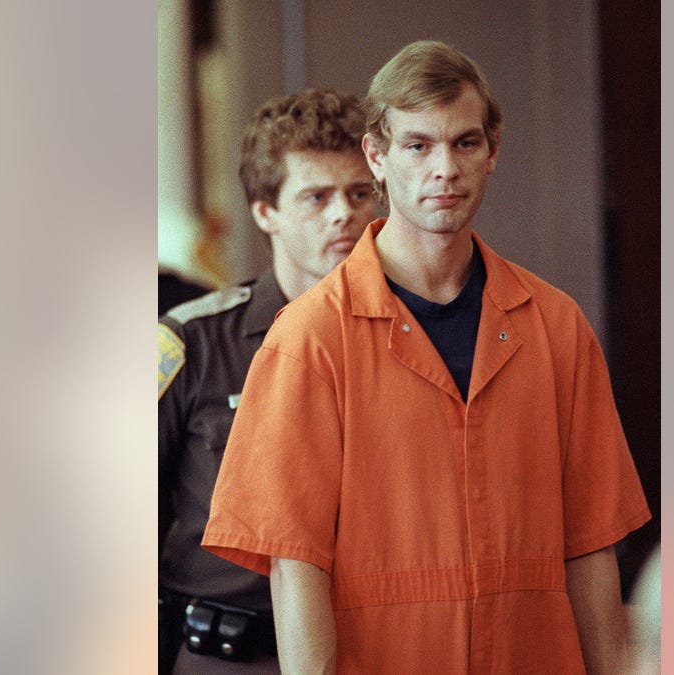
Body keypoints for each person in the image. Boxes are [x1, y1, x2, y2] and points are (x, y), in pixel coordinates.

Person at [202, 41, 650, 673]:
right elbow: (293, 567)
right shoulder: (308, 339)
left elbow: (591, 548)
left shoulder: (555, 327)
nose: (445, 168)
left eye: (465, 143)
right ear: (377, 157)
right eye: (418, 146)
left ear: (493, 151)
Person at [158, 88, 375, 674]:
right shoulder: (193, 342)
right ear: (264, 212)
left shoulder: (407, 339)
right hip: (232, 654)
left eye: (360, 194)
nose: (343, 214)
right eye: (316, 196)